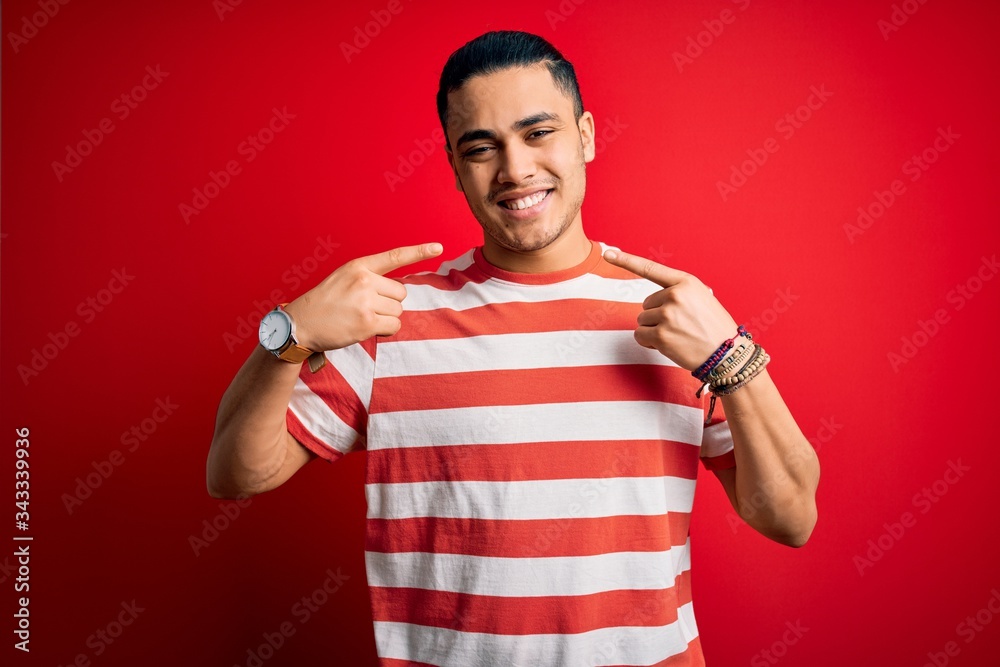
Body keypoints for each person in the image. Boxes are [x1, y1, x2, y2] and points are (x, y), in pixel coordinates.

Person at [207, 30, 820, 667]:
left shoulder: (676, 320)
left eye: (538, 132)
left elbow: (791, 518)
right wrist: (290, 335)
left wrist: (731, 358)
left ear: (585, 136)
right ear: (455, 168)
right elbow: (234, 474)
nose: (515, 169)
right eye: (481, 148)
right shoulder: (391, 321)